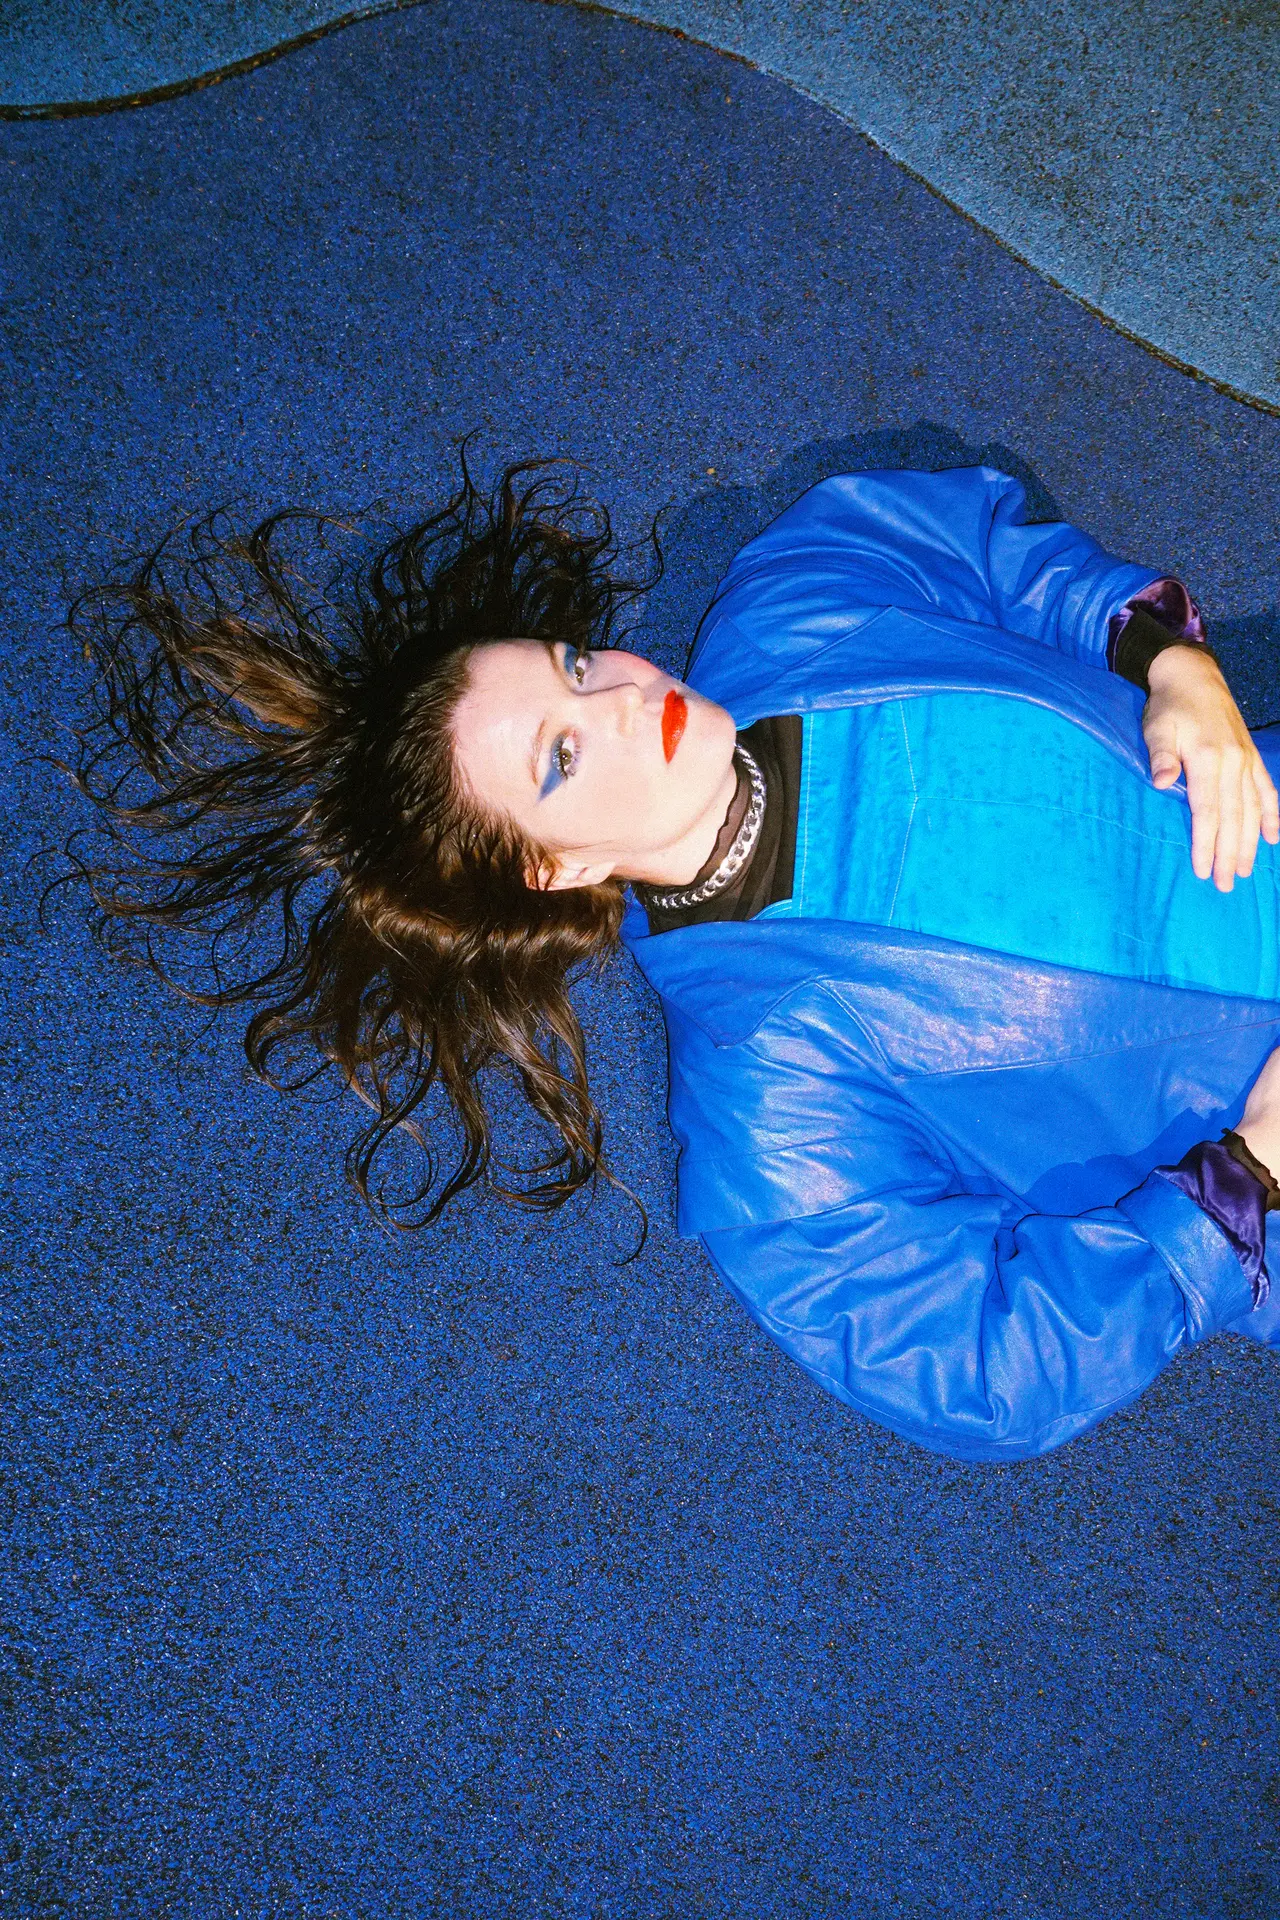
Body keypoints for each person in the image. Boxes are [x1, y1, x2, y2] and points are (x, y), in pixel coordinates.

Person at [68, 459, 1280, 1462]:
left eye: (572, 665)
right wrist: (1235, 1189)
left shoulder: (795, 597)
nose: (615, 700)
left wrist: (1161, 656)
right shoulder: (767, 1094)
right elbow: (969, 1371)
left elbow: (961, 532)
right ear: (553, 867)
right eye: (559, 758)